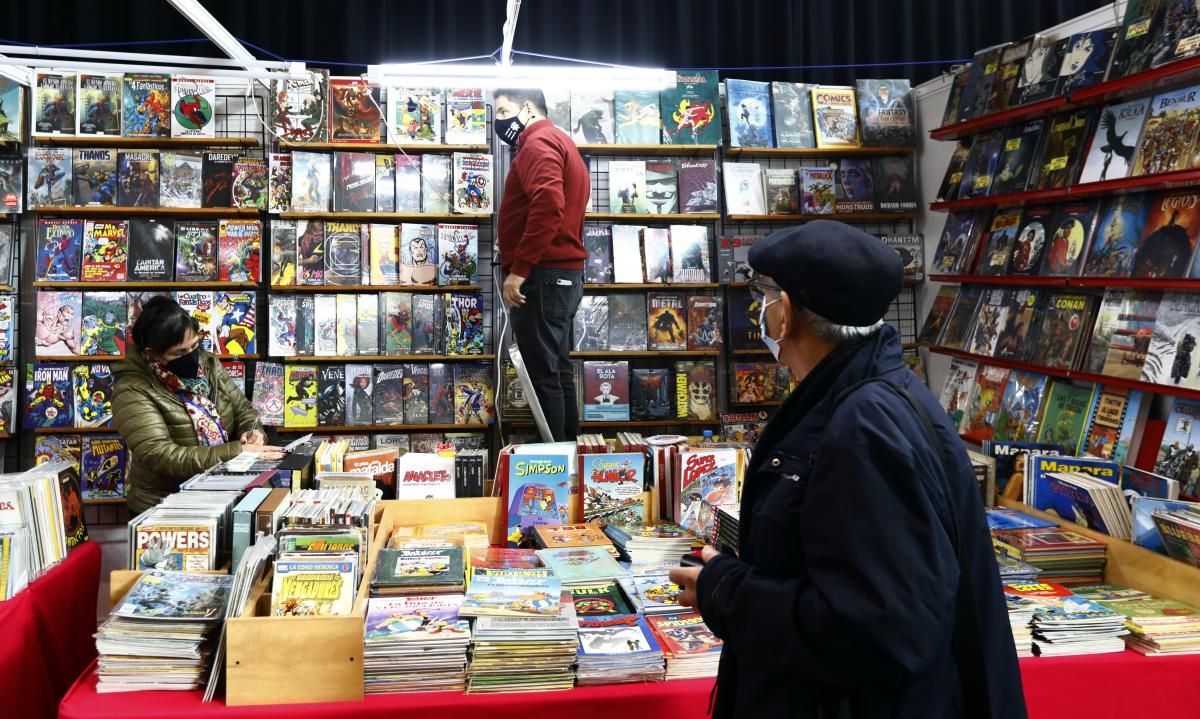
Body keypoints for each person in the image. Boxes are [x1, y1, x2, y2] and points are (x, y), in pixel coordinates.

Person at [670, 220, 1026, 719]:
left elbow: (878, 628)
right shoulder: (872, 393)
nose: (760, 309)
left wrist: (726, 591)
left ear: (786, 313)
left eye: (763, 294)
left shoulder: (864, 426)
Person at [113, 296, 282, 514]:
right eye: (179, 353)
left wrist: (253, 433)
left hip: (222, 496)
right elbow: (161, 455)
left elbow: (244, 410)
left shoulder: (209, 364)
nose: (192, 357)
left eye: (194, 346)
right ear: (152, 354)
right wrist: (238, 452)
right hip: (166, 507)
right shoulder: (133, 389)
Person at [494, 87, 591, 441]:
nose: (499, 120)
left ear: (527, 107)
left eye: (503, 110)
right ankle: (569, 456)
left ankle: (557, 469)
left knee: (543, 375)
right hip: (561, 276)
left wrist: (518, 271)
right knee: (557, 372)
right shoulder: (563, 143)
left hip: (543, 277)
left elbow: (549, 203)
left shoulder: (537, 143)